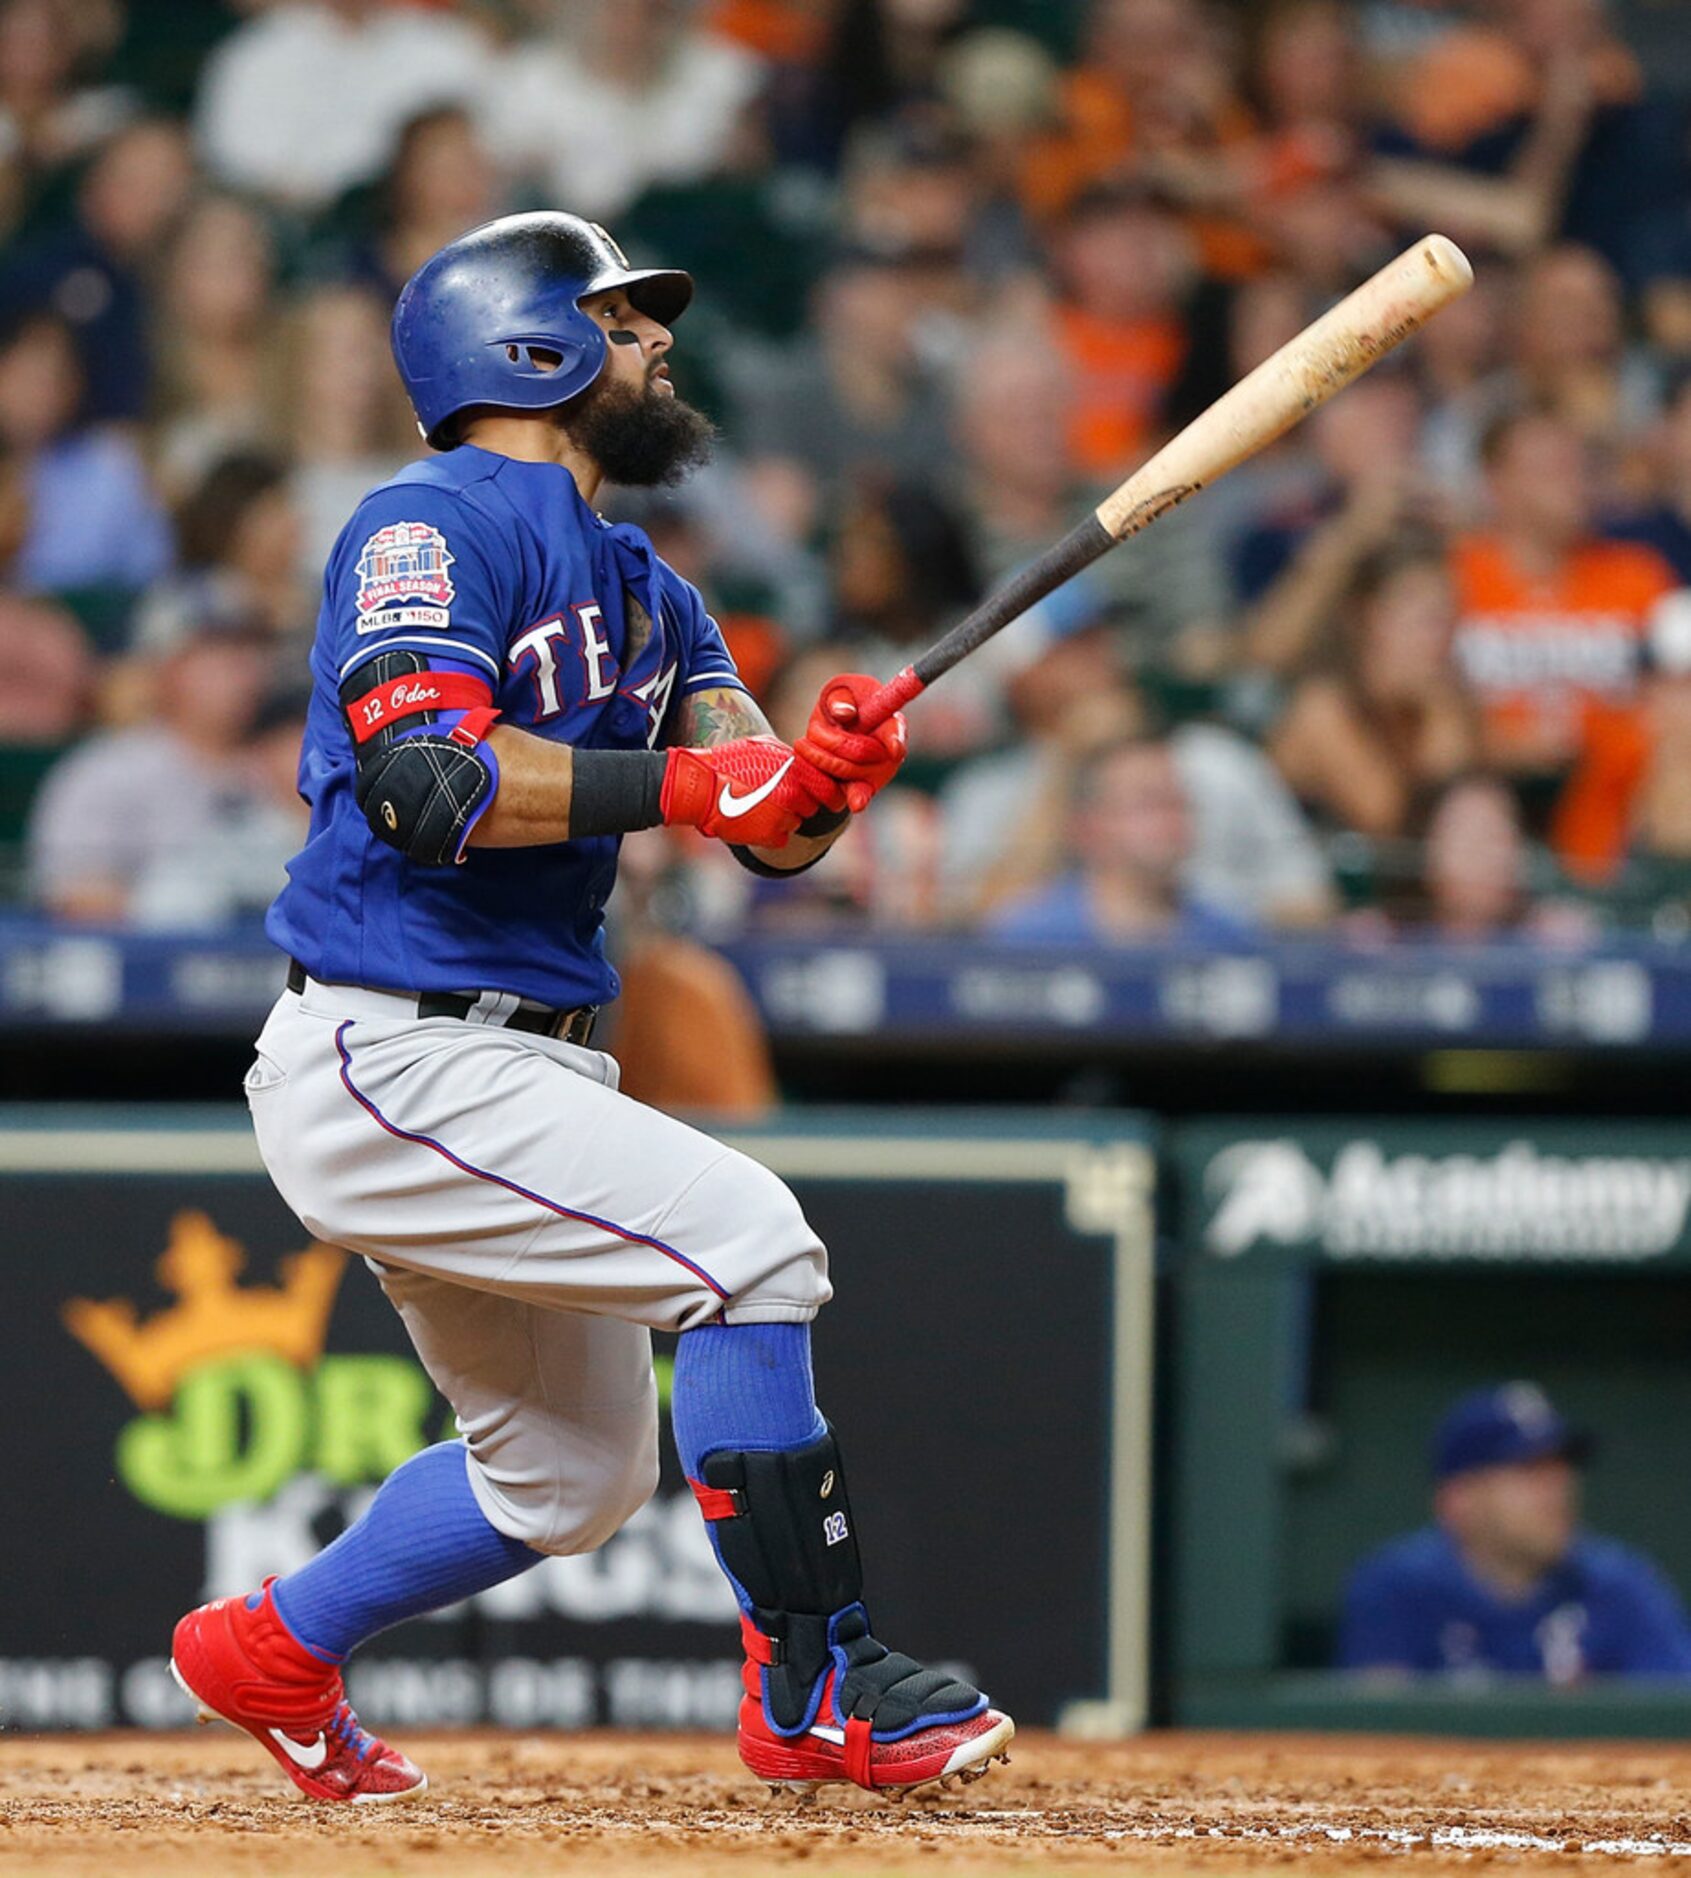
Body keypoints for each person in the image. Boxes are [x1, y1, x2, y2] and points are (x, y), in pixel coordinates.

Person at [166, 211, 1012, 1804]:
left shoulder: (649, 588)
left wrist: (820, 777)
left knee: (568, 1478)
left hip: (512, 1056)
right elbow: (432, 781)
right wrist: (710, 783)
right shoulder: (428, 520)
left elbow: (764, 817)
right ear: (527, 345)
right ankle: (820, 1688)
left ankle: (272, 1644)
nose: (658, 344)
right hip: (392, 1038)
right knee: (751, 1242)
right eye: (624, 321)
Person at [1340, 1382, 1691, 1679]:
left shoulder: (1621, 1585)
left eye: (1562, 1468)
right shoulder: (1398, 1587)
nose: (1558, 1489)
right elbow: (1372, 1741)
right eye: (1530, 1470)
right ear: (1458, 1500)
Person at [986, 734, 1251, 944]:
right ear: (1089, 825)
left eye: (1179, 802)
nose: (1172, 819)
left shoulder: (1227, 936)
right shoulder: (1032, 938)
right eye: (1150, 802)